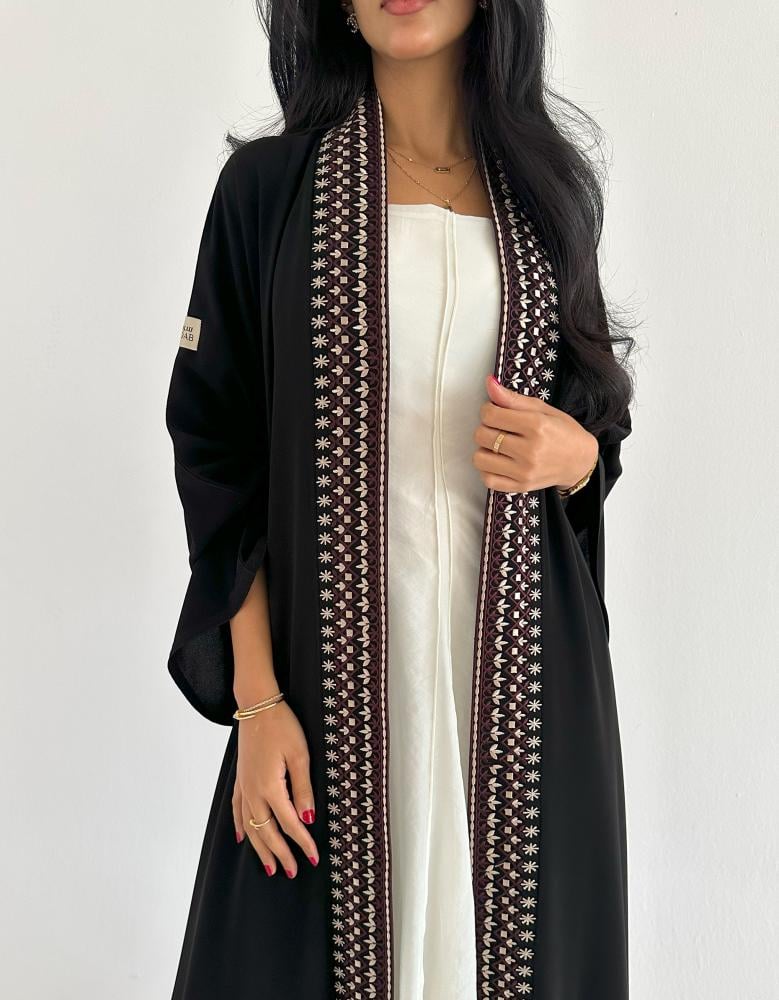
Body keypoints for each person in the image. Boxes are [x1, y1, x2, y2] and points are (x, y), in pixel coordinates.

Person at [164, 1, 636, 998]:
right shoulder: (270, 191)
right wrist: (257, 703)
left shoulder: (547, 195)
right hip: (321, 682)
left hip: (520, 687)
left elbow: (596, 420)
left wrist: (574, 456)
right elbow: (217, 456)